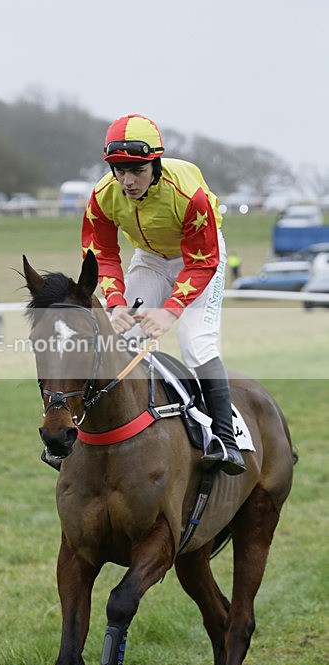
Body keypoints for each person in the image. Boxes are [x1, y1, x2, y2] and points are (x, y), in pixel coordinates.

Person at [81, 113, 245, 474]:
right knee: (123, 337)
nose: (127, 181)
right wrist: (115, 302)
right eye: (118, 170)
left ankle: (225, 441)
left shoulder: (188, 193)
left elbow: (202, 262)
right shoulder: (103, 196)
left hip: (201, 256)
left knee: (195, 341)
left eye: (137, 170)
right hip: (151, 259)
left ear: (155, 162)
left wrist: (171, 311)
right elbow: (101, 254)